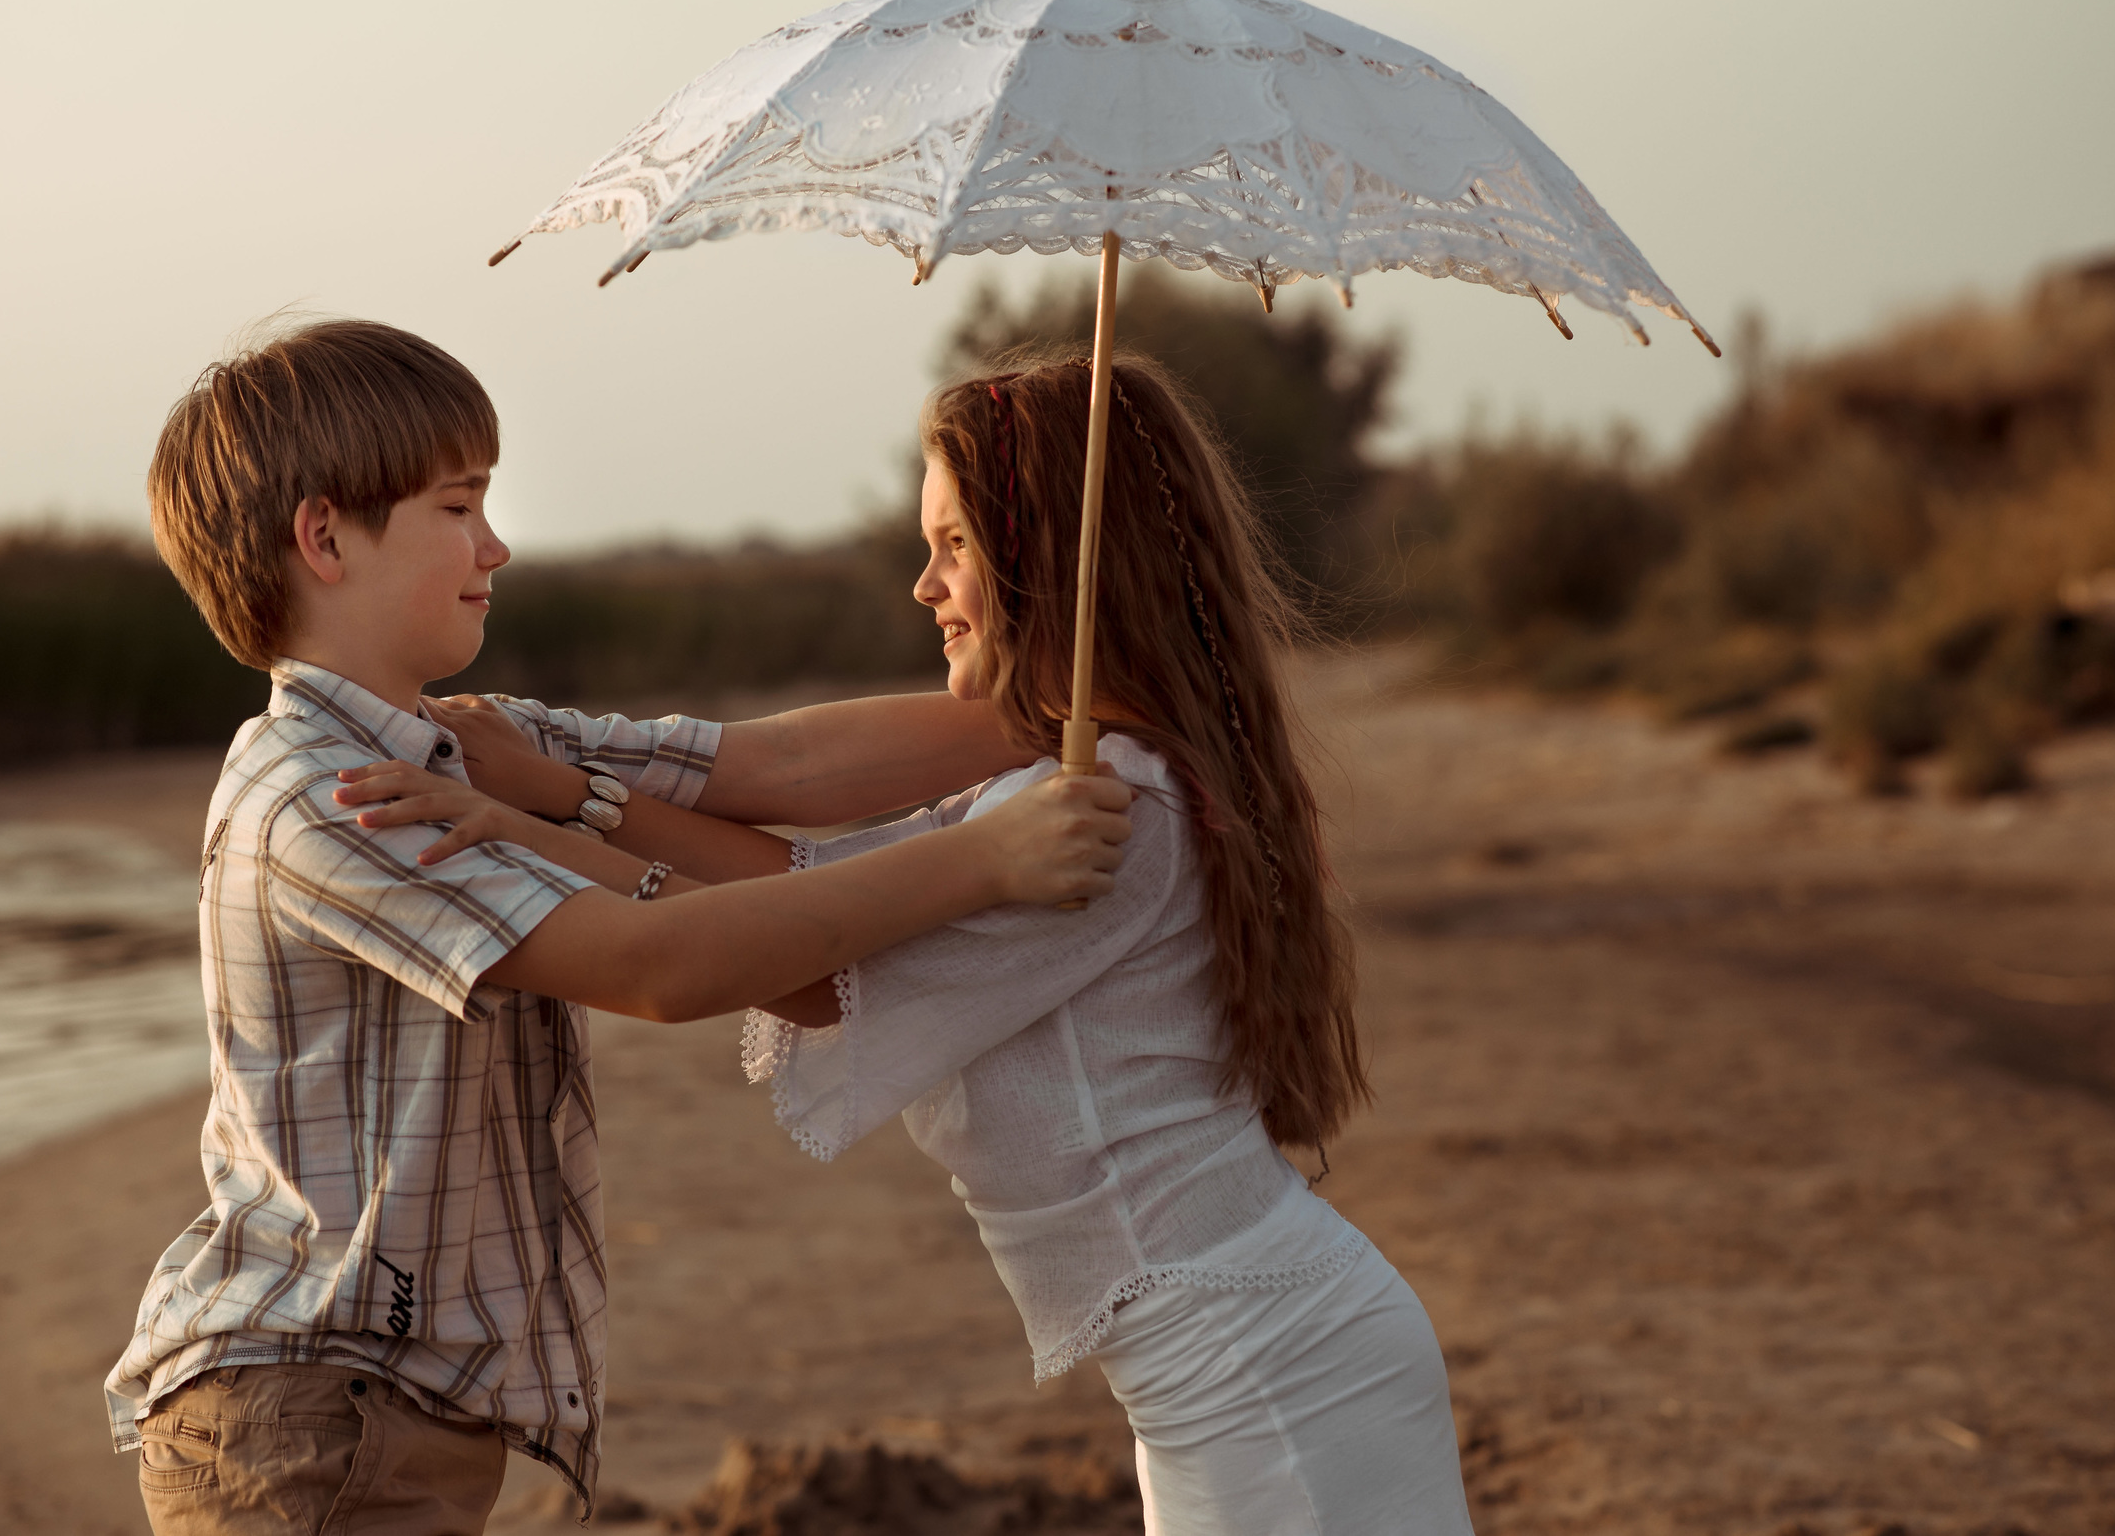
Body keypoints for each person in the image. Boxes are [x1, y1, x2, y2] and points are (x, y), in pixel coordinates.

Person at [353, 353, 1477, 1534]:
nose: (923, 583)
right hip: (1234, 1359)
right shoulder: (1064, 782)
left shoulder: (1109, 812)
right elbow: (818, 886)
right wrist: (560, 795)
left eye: (953, 544)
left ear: (1051, 561)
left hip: (1275, 1372)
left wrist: (529, 826)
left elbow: (809, 967)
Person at [108, 319, 1132, 1535]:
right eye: (457, 507)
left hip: (366, 1408)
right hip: (306, 1414)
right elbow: (656, 966)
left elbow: (775, 765)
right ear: (324, 537)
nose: (495, 543)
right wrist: (983, 858)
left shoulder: (461, 738)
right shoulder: (334, 798)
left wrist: (1081, 710)